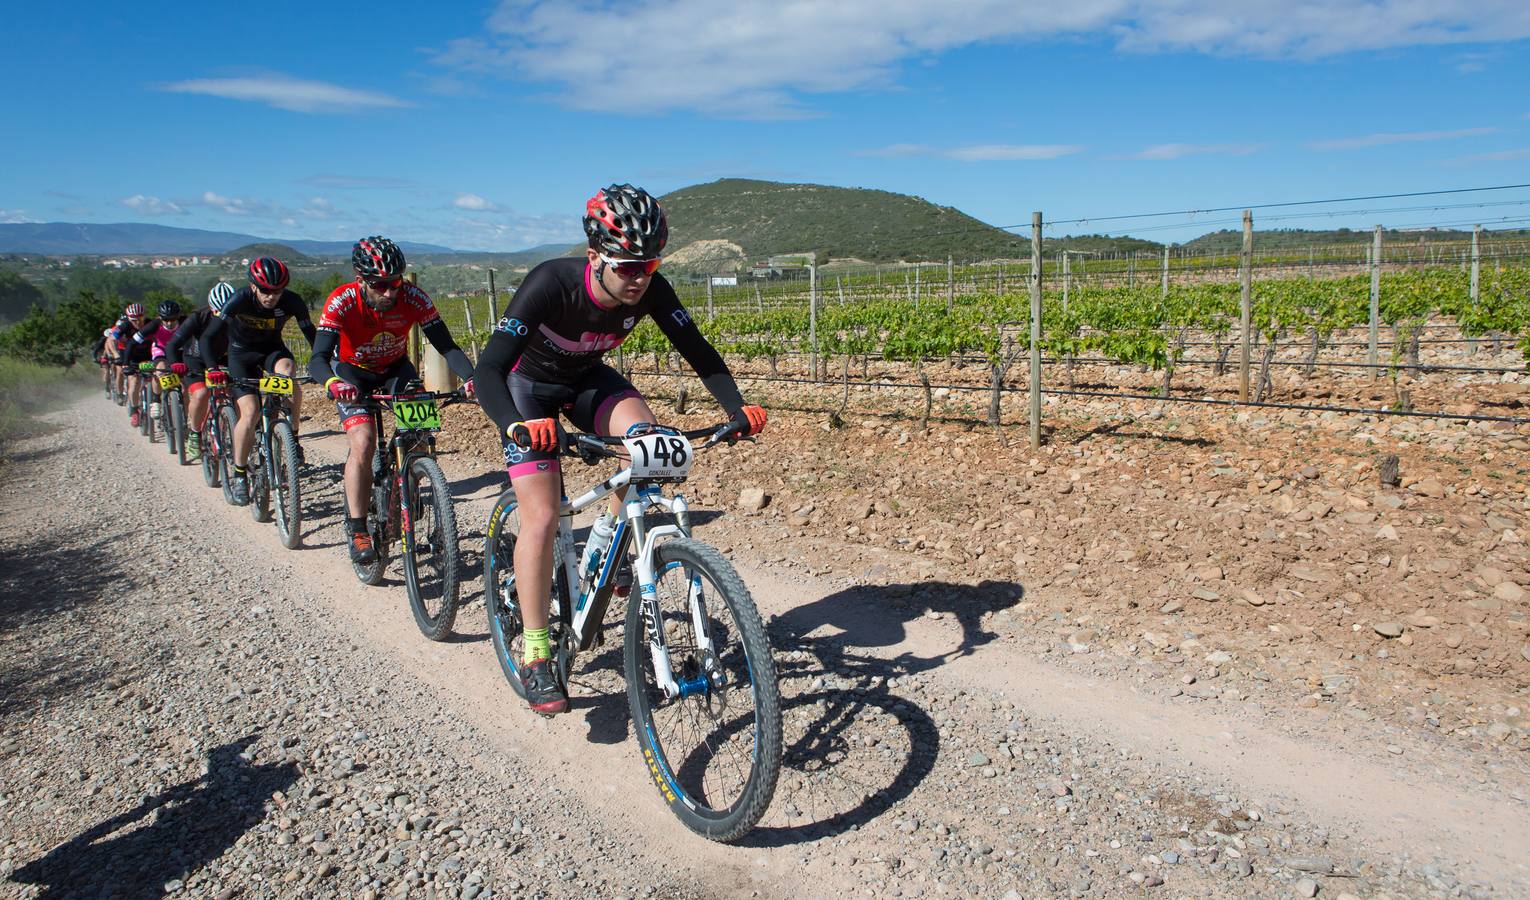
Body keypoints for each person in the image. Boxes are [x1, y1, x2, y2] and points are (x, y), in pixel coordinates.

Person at [473, 183, 767, 715]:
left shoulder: (651, 288)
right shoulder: (550, 283)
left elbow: (696, 348)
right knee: (540, 515)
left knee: (648, 446)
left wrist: (736, 408)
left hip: (587, 382)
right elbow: (489, 369)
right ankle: (538, 651)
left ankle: (608, 545)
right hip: (526, 390)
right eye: (627, 266)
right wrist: (517, 427)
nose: (638, 277)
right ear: (595, 258)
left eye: (648, 265)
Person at [308, 236, 477, 564]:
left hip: (396, 369)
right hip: (352, 373)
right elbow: (317, 358)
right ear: (361, 281)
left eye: (395, 283)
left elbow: (448, 346)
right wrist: (331, 382)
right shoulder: (341, 301)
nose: (390, 292)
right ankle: (357, 527)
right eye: (381, 285)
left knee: (420, 435)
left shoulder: (413, 297)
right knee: (363, 441)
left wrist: (472, 377)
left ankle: (413, 484)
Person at [199, 258, 315, 505]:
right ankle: (240, 474)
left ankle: (292, 436)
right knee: (249, 413)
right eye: (265, 291)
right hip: (241, 354)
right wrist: (212, 368)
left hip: (272, 350)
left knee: (288, 371)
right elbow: (208, 337)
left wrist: (321, 365)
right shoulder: (239, 300)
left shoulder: (292, 301)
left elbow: (311, 335)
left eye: (278, 291)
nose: (272, 296)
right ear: (253, 286)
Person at [166, 283, 235, 461]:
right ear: (211, 308)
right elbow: (173, 344)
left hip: (223, 359)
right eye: (219, 312)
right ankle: (195, 433)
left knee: (235, 391)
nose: (224, 317)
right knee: (201, 393)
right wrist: (175, 363)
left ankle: (231, 425)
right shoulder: (197, 317)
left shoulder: (240, 316)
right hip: (196, 360)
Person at [126, 299, 186, 421]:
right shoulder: (154, 325)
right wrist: (126, 364)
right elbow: (132, 343)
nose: (169, 323)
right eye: (166, 320)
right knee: (160, 371)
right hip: (160, 350)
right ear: (160, 317)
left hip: (180, 351)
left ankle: (184, 415)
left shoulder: (185, 321)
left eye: (173, 319)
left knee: (185, 384)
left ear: (178, 316)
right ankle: (156, 400)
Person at [112, 303, 150, 426]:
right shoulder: (125, 326)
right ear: (128, 318)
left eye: (140, 319)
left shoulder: (151, 323)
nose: (138, 322)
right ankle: (135, 411)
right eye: (134, 320)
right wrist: (117, 355)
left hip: (149, 356)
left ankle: (160, 405)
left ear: (144, 316)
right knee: (134, 382)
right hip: (132, 357)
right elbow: (111, 339)